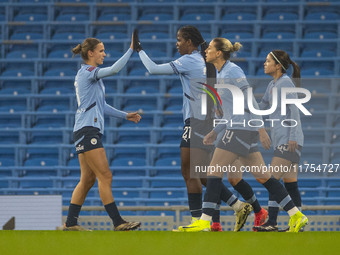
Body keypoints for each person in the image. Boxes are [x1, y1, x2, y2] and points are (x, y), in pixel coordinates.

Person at [179, 37, 308, 232]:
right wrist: (215, 131)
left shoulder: (233, 71)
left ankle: (205, 220)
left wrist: (261, 129)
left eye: (210, 48)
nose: (206, 51)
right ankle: (296, 215)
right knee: (264, 177)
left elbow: (249, 101)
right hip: (239, 128)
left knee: (213, 171)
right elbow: (232, 113)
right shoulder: (223, 74)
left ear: (219, 53)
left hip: (241, 129)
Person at [133, 26, 252, 232]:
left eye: (179, 39)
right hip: (201, 119)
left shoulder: (190, 60)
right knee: (193, 171)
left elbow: (153, 69)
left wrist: (139, 50)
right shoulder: (202, 61)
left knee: (195, 171)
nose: (176, 43)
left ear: (189, 42)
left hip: (198, 120)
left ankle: (215, 216)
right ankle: (230, 208)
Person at [63, 37, 142, 231]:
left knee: (87, 179)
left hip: (84, 129)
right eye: (101, 50)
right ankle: (118, 222)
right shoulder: (89, 72)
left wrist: (125, 115)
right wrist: (131, 49)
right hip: (88, 130)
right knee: (105, 176)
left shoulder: (87, 74)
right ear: (90, 53)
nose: (104, 54)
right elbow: (114, 70)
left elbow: (102, 105)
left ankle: (71, 223)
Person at [254, 50, 304, 232]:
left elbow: (295, 110)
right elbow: (261, 107)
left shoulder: (285, 83)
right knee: (290, 184)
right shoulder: (272, 85)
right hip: (285, 140)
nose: (264, 63)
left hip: (289, 139)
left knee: (271, 179)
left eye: (268, 61)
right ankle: (296, 226)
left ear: (278, 66)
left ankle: (272, 222)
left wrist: (292, 137)